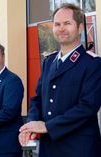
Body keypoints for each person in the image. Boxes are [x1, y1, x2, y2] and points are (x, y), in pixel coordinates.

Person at [18, 3, 101, 157]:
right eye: (57, 24)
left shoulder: (93, 63)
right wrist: (31, 125)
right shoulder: (48, 62)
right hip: (49, 148)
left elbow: (87, 107)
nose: (61, 28)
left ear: (80, 28)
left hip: (79, 148)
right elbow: (37, 99)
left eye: (67, 23)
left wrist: (47, 126)